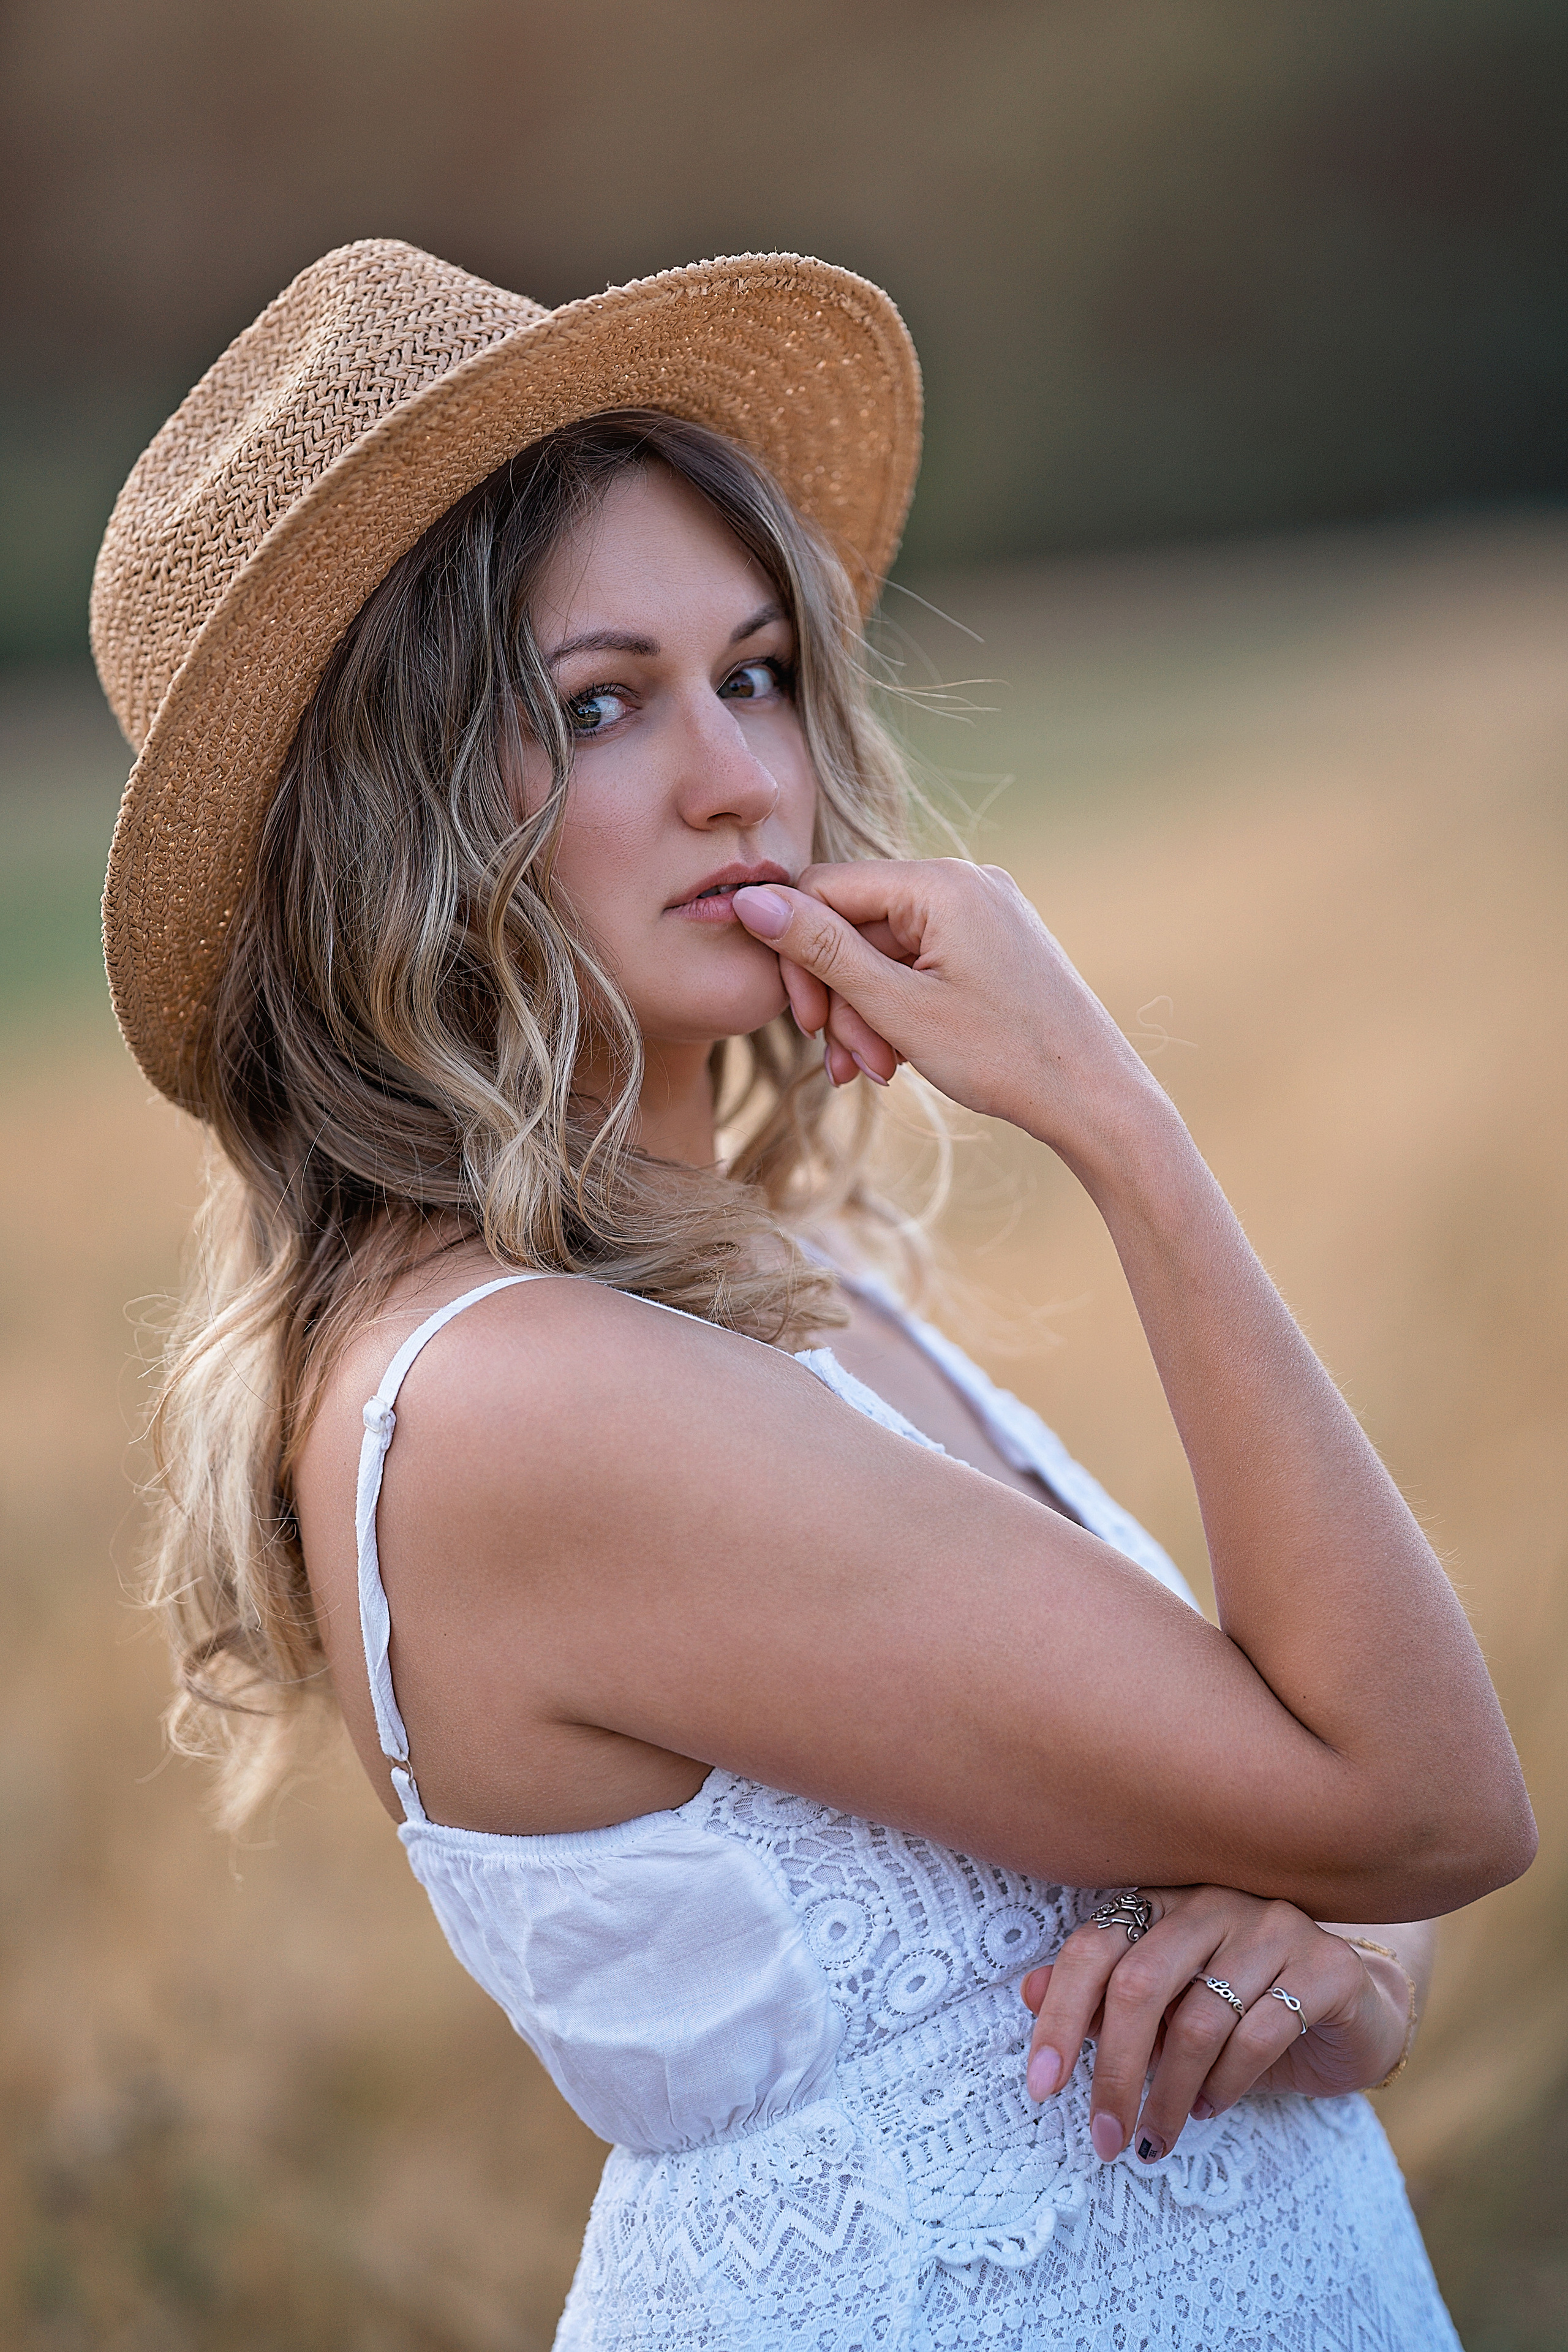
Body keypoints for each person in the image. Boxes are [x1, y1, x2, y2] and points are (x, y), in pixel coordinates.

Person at [92, 240, 1533, 2350]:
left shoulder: (779, 1286)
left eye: (756, 672)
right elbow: (1424, 1798)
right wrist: (1120, 1125)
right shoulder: (517, 1400)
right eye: (600, 705)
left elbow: (1359, 1823)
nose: (739, 776)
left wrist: (1353, 1970)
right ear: (386, 822)